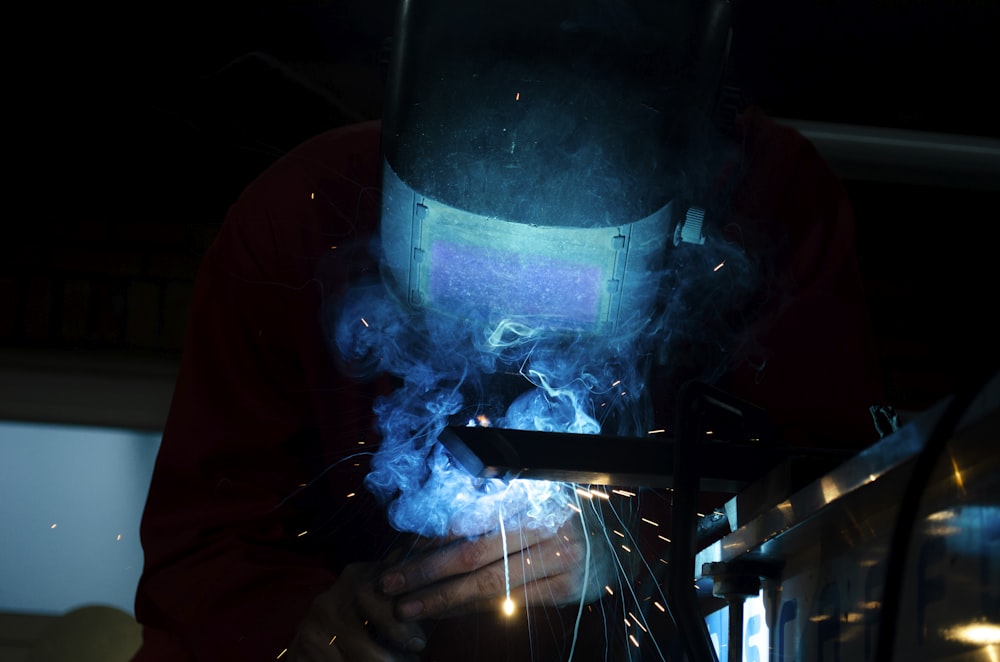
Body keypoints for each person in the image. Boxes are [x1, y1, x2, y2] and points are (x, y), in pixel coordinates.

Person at [132, 3, 887, 661]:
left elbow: (836, 500)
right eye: (462, 297)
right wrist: (296, 630)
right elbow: (206, 535)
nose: (503, 345)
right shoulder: (304, 214)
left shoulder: (775, 209)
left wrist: (640, 543)